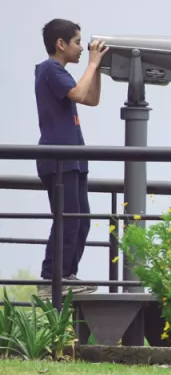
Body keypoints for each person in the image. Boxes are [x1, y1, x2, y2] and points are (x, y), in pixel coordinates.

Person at [34, 20, 108, 298]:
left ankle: (67, 276)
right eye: (77, 42)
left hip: (73, 158)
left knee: (81, 220)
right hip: (59, 158)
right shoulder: (50, 68)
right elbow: (78, 93)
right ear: (60, 44)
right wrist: (91, 64)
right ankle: (51, 278)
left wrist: (97, 67)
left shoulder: (59, 72)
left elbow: (91, 99)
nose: (81, 48)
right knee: (67, 220)